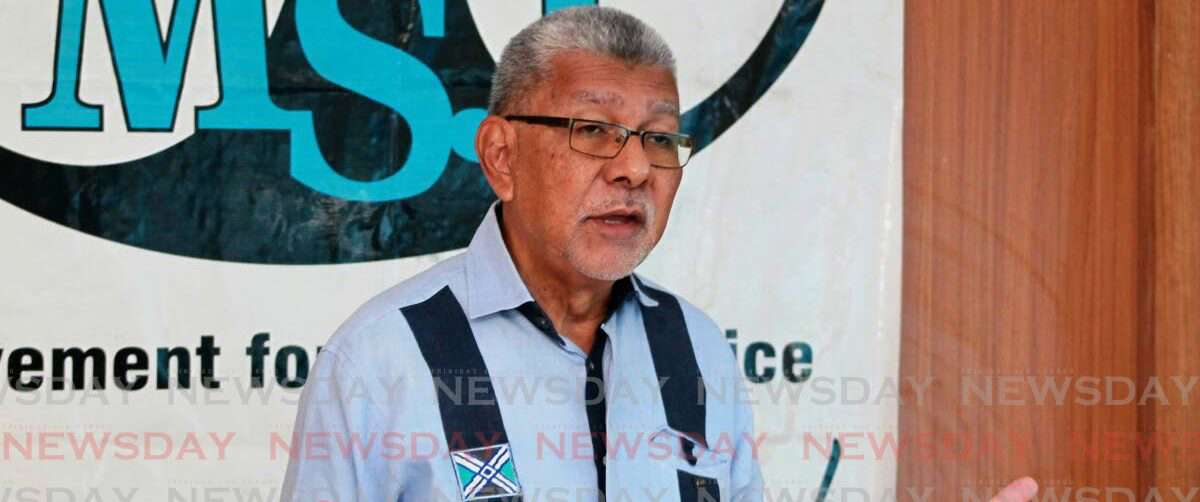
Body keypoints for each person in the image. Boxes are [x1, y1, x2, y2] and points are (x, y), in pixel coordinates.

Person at [280, 6, 1039, 502]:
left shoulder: (695, 350)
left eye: (659, 138)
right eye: (594, 130)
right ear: (501, 156)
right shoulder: (380, 359)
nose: (635, 169)